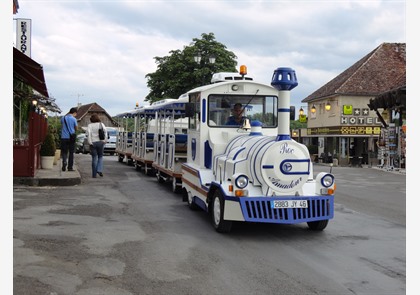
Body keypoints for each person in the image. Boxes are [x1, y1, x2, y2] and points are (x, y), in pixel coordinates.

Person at [60, 107, 78, 171]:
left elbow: (62, 125)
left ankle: (64, 162)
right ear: (74, 113)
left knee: (64, 152)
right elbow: (76, 128)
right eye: (76, 113)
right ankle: (70, 167)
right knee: (71, 152)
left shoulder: (63, 118)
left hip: (64, 137)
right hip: (71, 137)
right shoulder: (74, 119)